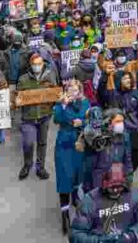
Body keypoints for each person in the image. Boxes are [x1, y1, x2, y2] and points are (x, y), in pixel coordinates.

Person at [70, 163, 138, 243]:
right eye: (112, 187)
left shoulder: (135, 195)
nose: (115, 190)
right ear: (104, 185)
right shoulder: (90, 201)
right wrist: (99, 241)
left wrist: (131, 235)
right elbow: (76, 233)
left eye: (118, 187)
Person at [53, 79, 90, 234]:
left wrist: (81, 122)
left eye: (75, 90)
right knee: (64, 177)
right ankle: (65, 215)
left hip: (80, 143)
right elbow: (57, 119)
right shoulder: (60, 104)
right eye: (69, 90)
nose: (73, 93)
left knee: (78, 173)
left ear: (79, 91)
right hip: (64, 144)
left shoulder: (85, 103)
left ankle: (76, 197)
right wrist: (63, 105)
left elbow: (90, 119)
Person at [16, 52, 60, 180]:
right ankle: (27, 164)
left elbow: (55, 92)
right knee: (28, 142)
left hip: (45, 115)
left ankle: (40, 168)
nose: (37, 66)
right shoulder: (23, 79)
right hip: (28, 117)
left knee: (42, 142)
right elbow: (17, 97)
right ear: (30, 65)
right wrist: (17, 101)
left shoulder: (50, 75)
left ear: (43, 64)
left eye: (39, 64)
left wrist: (57, 100)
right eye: (34, 64)